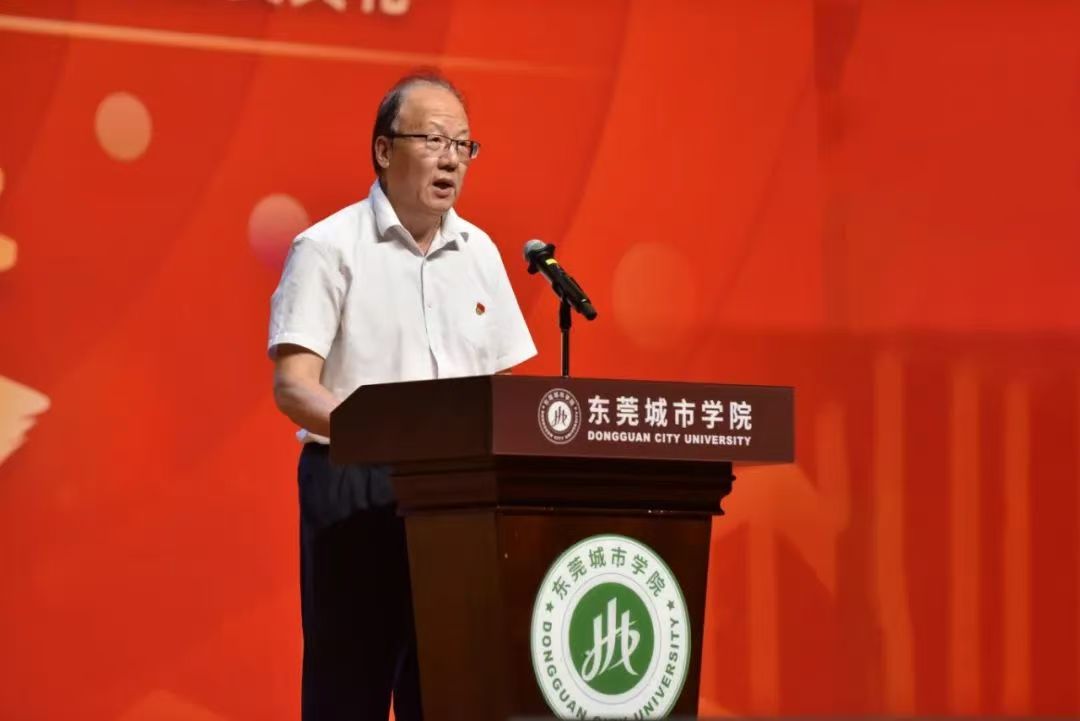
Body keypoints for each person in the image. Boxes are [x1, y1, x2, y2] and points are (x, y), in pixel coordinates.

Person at [267, 72, 537, 721]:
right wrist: (391, 434)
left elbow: (502, 388)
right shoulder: (328, 247)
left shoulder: (480, 253)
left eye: (464, 145)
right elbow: (294, 384)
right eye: (434, 140)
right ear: (385, 150)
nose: (451, 159)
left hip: (458, 495)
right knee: (348, 690)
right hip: (355, 484)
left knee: (448, 688)